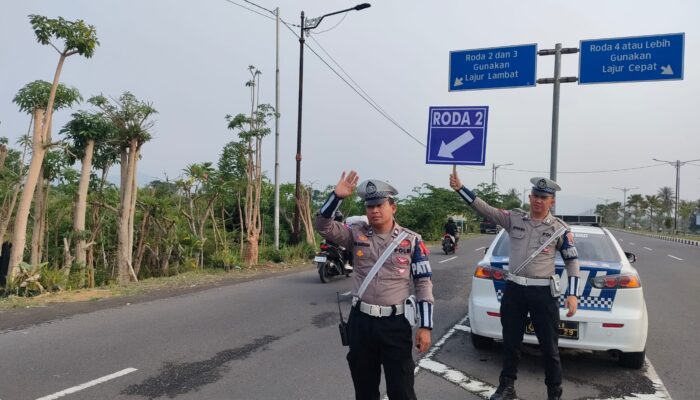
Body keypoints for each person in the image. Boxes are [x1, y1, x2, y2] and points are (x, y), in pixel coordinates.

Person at [450, 169, 580, 400]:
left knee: (549, 347)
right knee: (510, 342)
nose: (538, 201)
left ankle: (554, 392)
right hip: (515, 290)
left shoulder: (560, 229)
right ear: (529, 197)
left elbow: (572, 262)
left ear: (552, 200)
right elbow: (485, 208)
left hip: (542, 292)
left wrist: (573, 295)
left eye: (543, 197)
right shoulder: (514, 219)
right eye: (535, 196)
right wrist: (461, 189)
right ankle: (506, 387)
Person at [314, 170, 434, 400]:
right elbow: (323, 225)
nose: (375, 210)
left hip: (395, 325)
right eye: (370, 206)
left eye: (380, 205)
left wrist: (425, 326)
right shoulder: (355, 234)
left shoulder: (412, 240)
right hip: (361, 323)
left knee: (402, 391)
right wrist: (336, 197)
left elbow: (423, 283)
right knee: (365, 391)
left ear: (393, 207)